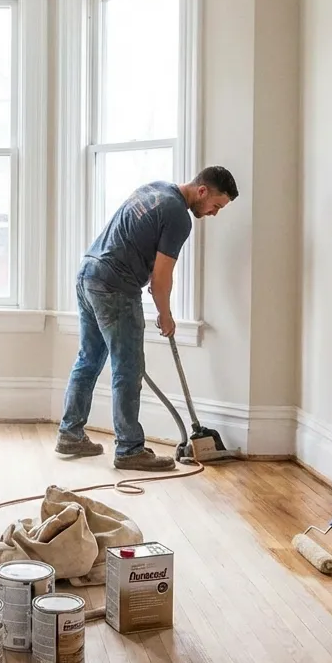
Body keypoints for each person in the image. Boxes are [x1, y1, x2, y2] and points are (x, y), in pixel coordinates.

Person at [56, 167, 238, 471]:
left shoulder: (155, 188)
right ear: (203, 191)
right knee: (128, 368)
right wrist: (165, 316)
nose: (214, 213)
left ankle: (70, 433)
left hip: (88, 272)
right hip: (115, 285)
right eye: (216, 206)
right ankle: (129, 449)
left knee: (89, 359)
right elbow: (160, 278)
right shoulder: (179, 216)